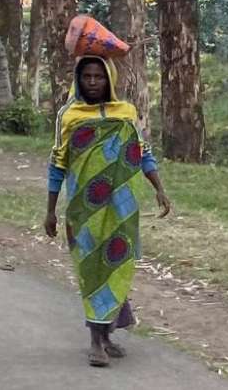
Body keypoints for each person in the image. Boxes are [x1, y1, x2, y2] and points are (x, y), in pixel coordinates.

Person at [44, 56, 171, 367]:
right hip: (83, 208)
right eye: (86, 75)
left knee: (117, 266)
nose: (92, 81)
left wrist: (159, 188)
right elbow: (58, 162)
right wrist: (50, 211)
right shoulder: (69, 115)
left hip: (121, 206)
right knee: (91, 269)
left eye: (99, 76)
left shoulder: (126, 113)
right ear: (78, 78)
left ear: (110, 79)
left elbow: (142, 152)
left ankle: (107, 334)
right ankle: (94, 342)